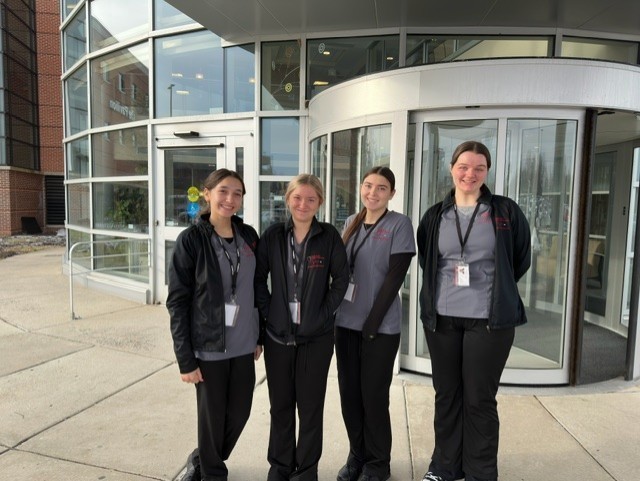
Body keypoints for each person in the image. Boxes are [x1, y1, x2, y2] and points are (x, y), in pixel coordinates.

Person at [416, 141, 531, 481]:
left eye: (479, 168)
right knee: (447, 395)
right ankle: (445, 467)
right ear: (452, 169)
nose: (470, 173)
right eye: (464, 166)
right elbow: (428, 260)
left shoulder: (504, 211)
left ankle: (480, 472)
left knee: (479, 398)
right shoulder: (435, 215)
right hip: (442, 319)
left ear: (487, 172)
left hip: (489, 321)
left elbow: (519, 259)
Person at [167, 169, 262, 481]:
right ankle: (211, 473)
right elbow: (178, 301)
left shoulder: (249, 236)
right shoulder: (191, 240)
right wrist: (185, 358)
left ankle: (202, 458)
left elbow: (257, 289)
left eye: (237, 193)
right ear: (207, 194)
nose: (230, 199)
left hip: (243, 342)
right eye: (223, 191)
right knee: (211, 419)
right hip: (208, 346)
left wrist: (258, 334)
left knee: (239, 412)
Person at [255, 174, 349, 481]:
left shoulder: (329, 236)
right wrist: (272, 313)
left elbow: (342, 280)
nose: (303, 204)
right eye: (297, 198)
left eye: (310, 199)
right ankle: (280, 469)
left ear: (320, 202)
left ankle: (306, 472)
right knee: (280, 409)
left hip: (317, 340)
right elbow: (258, 280)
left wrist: (322, 315)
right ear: (288, 199)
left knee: (310, 411)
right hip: (278, 338)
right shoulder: (272, 236)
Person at [334, 167, 416, 481]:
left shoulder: (399, 224)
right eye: (368, 186)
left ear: (391, 193)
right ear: (360, 187)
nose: (373, 192)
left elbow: (395, 278)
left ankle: (378, 463)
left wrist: (372, 323)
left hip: (379, 329)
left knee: (373, 396)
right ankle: (357, 455)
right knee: (349, 394)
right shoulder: (351, 222)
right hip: (345, 324)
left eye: (381, 188)